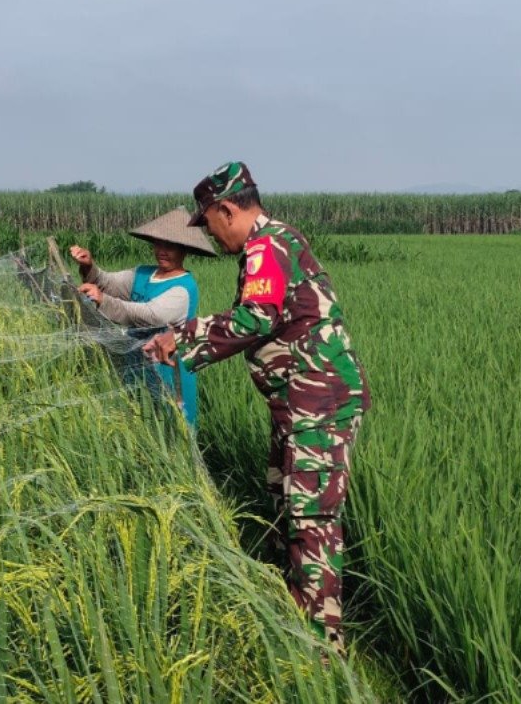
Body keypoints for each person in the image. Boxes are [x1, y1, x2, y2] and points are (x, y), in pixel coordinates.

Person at [143, 162, 371, 653]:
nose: (211, 235)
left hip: (318, 401)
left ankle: (320, 650)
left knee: (310, 518)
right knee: (284, 497)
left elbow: (255, 317)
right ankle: (291, 609)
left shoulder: (265, 246)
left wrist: (181, 339)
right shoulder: (272, 242)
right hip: (302, 400)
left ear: (228, 209)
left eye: (209, 223)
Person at [71, 207, 215, 429]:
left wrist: (104, 301)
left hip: (168, 373)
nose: (162, 251)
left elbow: (149, 316)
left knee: (172, 431)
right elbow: (107, 283)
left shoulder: (184, 288)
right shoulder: (144, 273)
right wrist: (89, 266)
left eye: (171, 246)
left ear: (184, 249)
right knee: (140, 425)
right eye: (159, 243)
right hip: (136, 367)